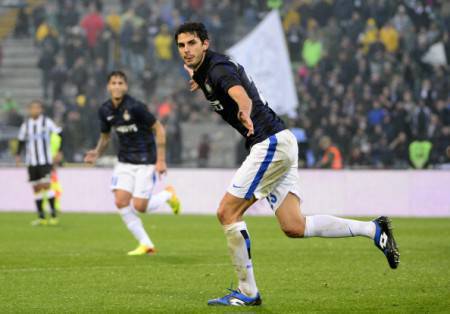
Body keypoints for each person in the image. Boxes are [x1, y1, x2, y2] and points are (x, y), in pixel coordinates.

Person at [174, 22, 400, 306]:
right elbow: (210, 79)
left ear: (205, 43)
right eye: (181, 45)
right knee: (294, 225)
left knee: (227, 212)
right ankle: (373, 230)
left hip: (269, 143)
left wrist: (244, 111)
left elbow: (237, 92)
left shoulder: (219, 69)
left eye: (192, 43)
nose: (186, 50)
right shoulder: (205, 69)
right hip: (280, 141)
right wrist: (197, 77)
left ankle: (247, 292)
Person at [84, 71, 180, 256]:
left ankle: (168, 195)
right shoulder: (105, 110)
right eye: (114, 82)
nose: (117, 86)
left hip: (145, 161)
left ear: (126, 86)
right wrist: (96, 152)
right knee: (120, 201)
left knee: (140, 207)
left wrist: (160, 160)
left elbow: (159, 128)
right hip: (124, 162)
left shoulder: (136, 107)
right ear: (108, 86)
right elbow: (105, 137)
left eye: (121, 82)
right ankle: (146, 244)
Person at [16, 100, 63, 226]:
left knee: (46, 186)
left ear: (41, 109)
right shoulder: (26, 124)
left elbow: (60, 133)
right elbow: (20, 140)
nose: (35, 110)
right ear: (29, 110)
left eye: (37, 108)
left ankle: (53, 215)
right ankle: (41, 217)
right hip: (32, 162)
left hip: (45, 161)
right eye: (33, 108)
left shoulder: (46, 122)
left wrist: (59, 151)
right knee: (36, 188)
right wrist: (18, 155)